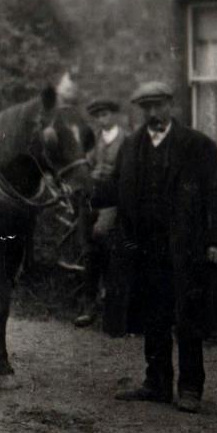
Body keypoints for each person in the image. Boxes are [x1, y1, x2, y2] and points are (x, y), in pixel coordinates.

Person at [93, 81, 217, 413]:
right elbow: (113, 190)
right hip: (145, 249)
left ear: (171, 105)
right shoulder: (132, 146)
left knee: (188, 317)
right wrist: (84, 186)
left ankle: (190, 387)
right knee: (152, 315)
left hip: (186, 248)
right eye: (146, 107)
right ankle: (156, 383)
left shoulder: (197, 145)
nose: (153, 113)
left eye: (158, 106)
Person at [73, 97, 125, 329]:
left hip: (113, 202)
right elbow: (86, 165)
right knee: (89, 254)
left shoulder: (127, 141)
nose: (102, 119)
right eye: (98, 116)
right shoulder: (95, 140)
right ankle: (89, 306)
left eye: (106, 114)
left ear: (114, 115)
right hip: (91, 201)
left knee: (112, 256)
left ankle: (113, 311)